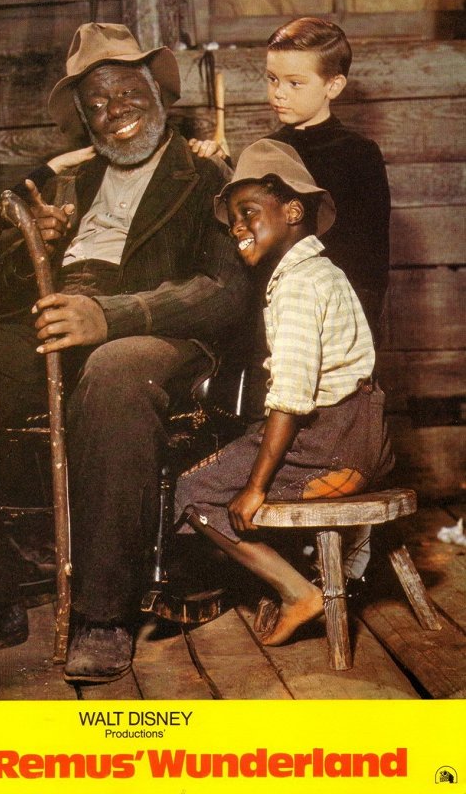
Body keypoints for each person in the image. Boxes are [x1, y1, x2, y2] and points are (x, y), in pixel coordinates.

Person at [0, 23, 252, 682]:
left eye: (125, 94)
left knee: (114, 370)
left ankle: (102, 614)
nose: (113, 113)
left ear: (157, 92)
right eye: (96, 104)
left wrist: (113, 314)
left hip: (152, 334)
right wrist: (34, 249)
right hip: (53, 323)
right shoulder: (66, 180)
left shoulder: (206, 173)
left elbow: (223, 291)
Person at [174, 138, 394, 646]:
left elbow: (293, 396)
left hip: (332, 445)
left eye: (249, 212)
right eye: (233, 221)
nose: (238, 229)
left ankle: (297, 591)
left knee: (193, 493)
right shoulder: (320, 271)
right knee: (232, 456)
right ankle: (306, 579)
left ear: (293, 210)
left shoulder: (297, 285)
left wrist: (253, 487)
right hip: (364, 438)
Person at [265, 17, 390, 342]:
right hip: (274, 311)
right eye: (272, 79)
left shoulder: (358, 154)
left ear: (333, 86)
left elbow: (370, 259)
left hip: (337, 316)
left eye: (294, 83)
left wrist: (358, 331)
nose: (279, 93)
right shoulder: (267, 152)